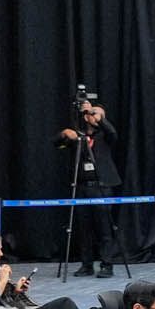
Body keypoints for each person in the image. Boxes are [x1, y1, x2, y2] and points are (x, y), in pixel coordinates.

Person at [55, 97, 124, 277]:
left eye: (98, 114)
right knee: (84, 228)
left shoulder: (105, 136)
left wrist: (98, 116)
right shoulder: (79, 136)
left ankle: (107, 264)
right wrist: (64, 134)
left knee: (104, 228)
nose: (94, 117)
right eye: (91, 114)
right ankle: (86, 265)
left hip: (102, 186)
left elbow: (113, 133)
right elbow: (57, 144)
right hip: (81, 187)